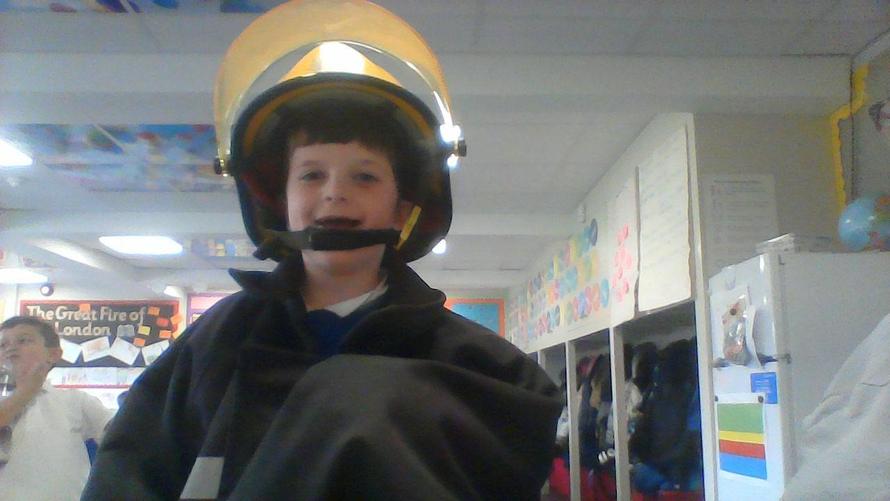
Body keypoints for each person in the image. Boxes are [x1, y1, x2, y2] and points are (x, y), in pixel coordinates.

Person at [83, 1, 561, 500]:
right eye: (312, 174)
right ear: (279, 204)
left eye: (365, 176)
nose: (335, 192)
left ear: (401, 211)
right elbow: (130, 471)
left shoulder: (476, 362)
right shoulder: (218, 341)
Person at [0, 316, 112, 501]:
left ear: (53, 354)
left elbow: (120, 435)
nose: (11, 348)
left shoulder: (75, 400)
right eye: (3, 345)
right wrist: (27, 390)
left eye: (24, 340)